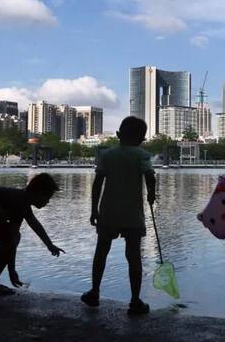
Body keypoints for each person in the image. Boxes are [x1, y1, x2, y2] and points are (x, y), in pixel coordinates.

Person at [81, 116, 156, 315]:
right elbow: (150, 175)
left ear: (118, 135)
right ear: (142, 138)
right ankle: (135, 301)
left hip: (108, 212)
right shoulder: (142, 155)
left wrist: (93, 209)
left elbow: (97, 183)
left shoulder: (107, 155)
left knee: (101, 253)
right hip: (133, 215)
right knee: (134, 257)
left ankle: (95, 292)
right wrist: (152, 194)